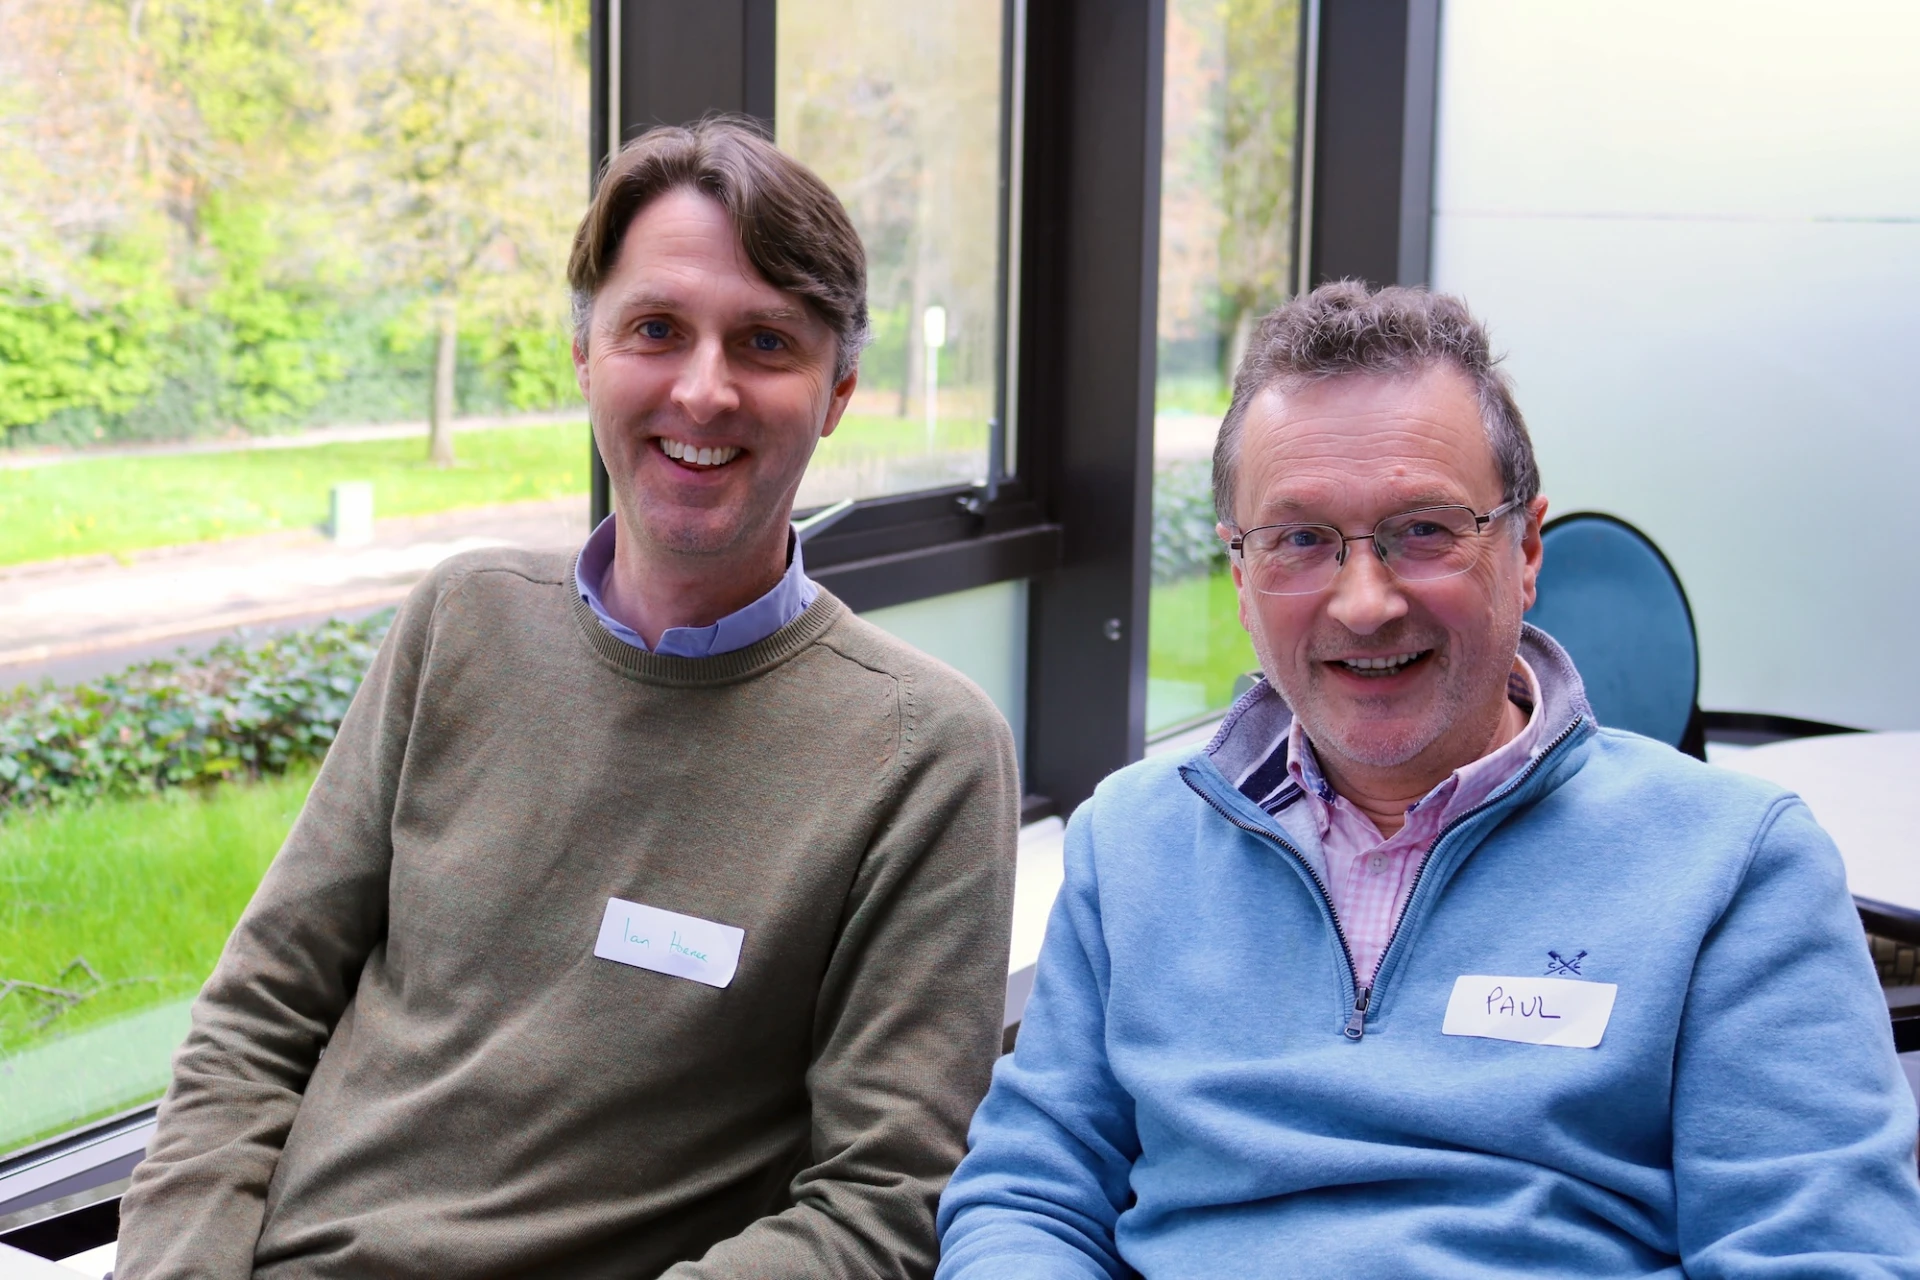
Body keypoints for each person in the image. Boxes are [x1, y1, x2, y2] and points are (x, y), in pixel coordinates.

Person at [116, 118, 1020, 1279]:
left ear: (838, 390)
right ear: (586, 353)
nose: (703, 389)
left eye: (765, 342)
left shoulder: (923, 751)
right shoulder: (463, 617)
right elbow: (258, 1015)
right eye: (656, 329)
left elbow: (880, 1204)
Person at [936, 282, 1920, 1278]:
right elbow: (1029, 1193)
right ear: (1239, 575)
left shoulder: (1733, 865)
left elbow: (1824, 1252)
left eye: (1424, 531)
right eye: (1300, 539)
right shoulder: (1135, 841)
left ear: (1526, 550)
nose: (1364, 604)